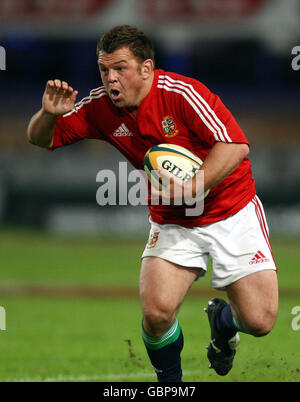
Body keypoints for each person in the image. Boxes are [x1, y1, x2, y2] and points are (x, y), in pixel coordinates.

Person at [27, 25, 278, 382]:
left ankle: (222, 323)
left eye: (120, 68)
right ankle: (170, 388)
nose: (111, 78)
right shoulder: (101, 107)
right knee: (157, 314)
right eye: (104, 69)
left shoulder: (182, 94)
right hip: (174, 220)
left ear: (146, 69)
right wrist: (48, 113)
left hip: (231, 210)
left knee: (259, 321)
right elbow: (41, 139)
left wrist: (194, 185)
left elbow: (236, 146)